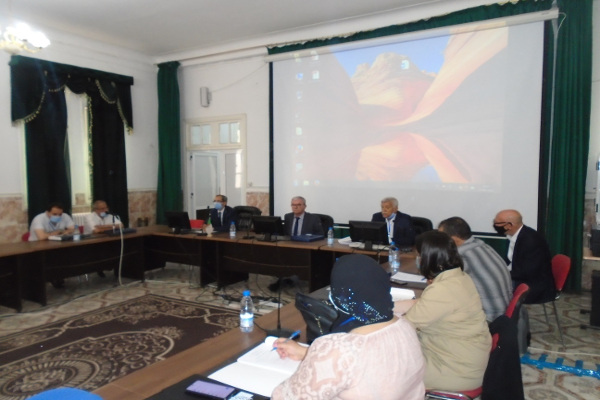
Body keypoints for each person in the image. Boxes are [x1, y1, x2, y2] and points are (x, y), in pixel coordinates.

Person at [272, 254, 425, 400]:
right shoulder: (405, 327)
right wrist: (308, 354)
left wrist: (319, 355)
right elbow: (374, 364)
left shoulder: (337, 349)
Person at [395, 230, 491, 391]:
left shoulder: (442, 290)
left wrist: (375, 318)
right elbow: (421, 304)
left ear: (430, 259)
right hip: (461, 357)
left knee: (383, 364)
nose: (417, 259)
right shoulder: (459, 278)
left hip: (453, 369)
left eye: (419, 255)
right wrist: (387, 306)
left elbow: (403, 328)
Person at [438, 216, 512, 322]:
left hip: (489, 317)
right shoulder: (481, 245)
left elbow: (441, 282)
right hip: (503, 310)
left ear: (453, 239)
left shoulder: (462, 255)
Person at [493, 209, 555, 304]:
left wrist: (501, 274)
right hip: (520, 277)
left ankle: (499, 311)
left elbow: (527, 272)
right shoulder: (515, 236)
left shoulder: (531, 241)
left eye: (497, 223)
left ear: (509, 226)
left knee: (490, 286)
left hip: (533, 285)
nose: (495, 225)